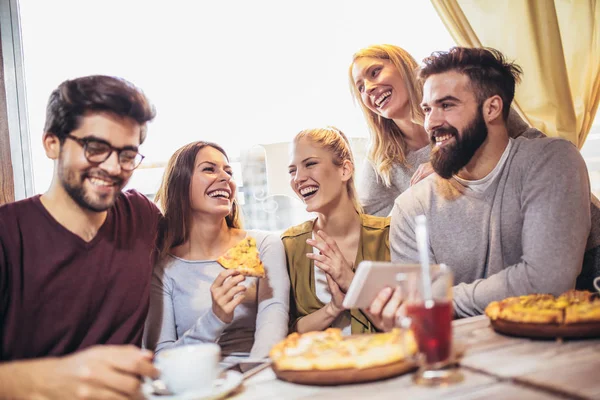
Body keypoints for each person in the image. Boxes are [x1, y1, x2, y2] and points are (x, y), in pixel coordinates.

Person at [371, 47, 591, 329]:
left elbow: (547, 281)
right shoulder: (410, 206)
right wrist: (403, 312)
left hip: (556, 352)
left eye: (447, 105)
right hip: (462, 363)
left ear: (492, 108)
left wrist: (439, 300)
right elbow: (417, 317)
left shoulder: (551, 160)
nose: (431, 123)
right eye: (427, 109)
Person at [0, 75, 161, 398]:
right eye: (96, 148)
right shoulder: (7, 235)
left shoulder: (141, 215)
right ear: (52, 144)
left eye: (127, 154)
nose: (114, 167)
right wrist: (42, 379)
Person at [144, 141, 289, 362]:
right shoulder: (163, 269)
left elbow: (273, 320)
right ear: (181, 183)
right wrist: (215, 317)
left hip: (258, 377)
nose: (226, 178)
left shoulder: (264, 245)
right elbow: (162, 359)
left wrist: (251, 381)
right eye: (209, 169)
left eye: (228, 171)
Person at [349, 44, 532, 217]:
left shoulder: (467, 100)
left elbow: (534, 145)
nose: (369, 88)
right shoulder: (382, 158)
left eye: (375, 72)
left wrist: (454, 167)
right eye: (361, 88)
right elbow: (364, 220)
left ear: (402, 65)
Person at [282, 127, 391, 334]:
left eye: (310, 164)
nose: (298, 178)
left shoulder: (389, 235)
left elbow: (410, 322)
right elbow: (285, 335)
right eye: (292, 171)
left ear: (345, 170)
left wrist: (350, 281)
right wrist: (333, 308)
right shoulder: (289, 245)